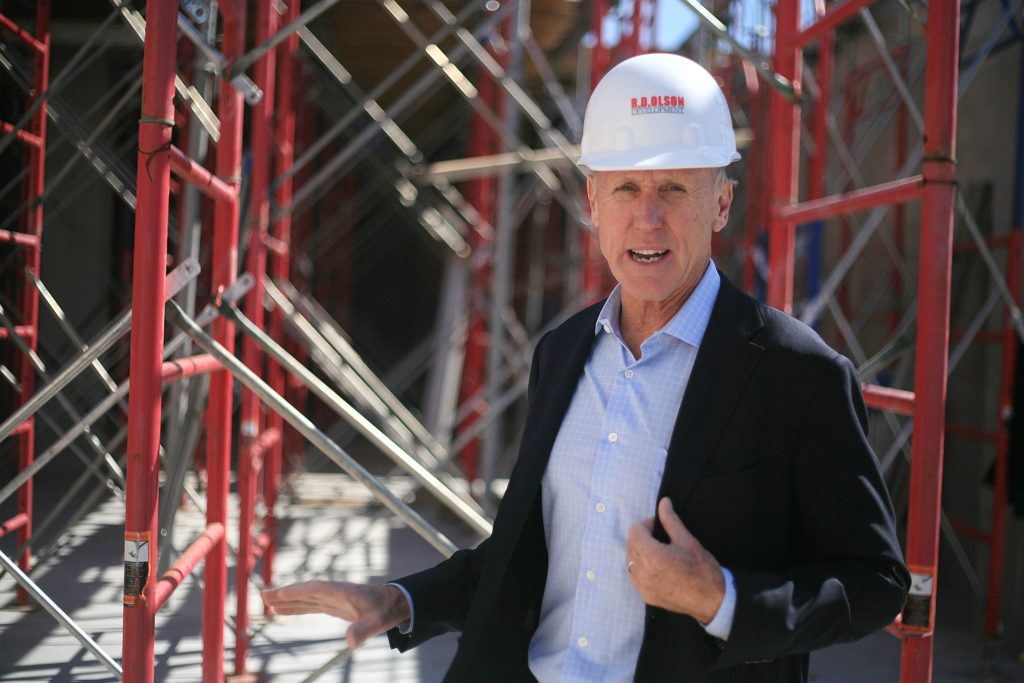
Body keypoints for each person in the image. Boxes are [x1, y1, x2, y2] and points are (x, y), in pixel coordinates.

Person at [262, 53, 909, 682]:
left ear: (721, 202)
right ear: (594, 201)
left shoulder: (798, 373)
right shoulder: (563, 351)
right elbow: (533, 555)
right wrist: (404, 600)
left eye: (675, 188)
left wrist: (723, 598)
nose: (647, 216)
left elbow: (876, 580)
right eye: (626, 187)